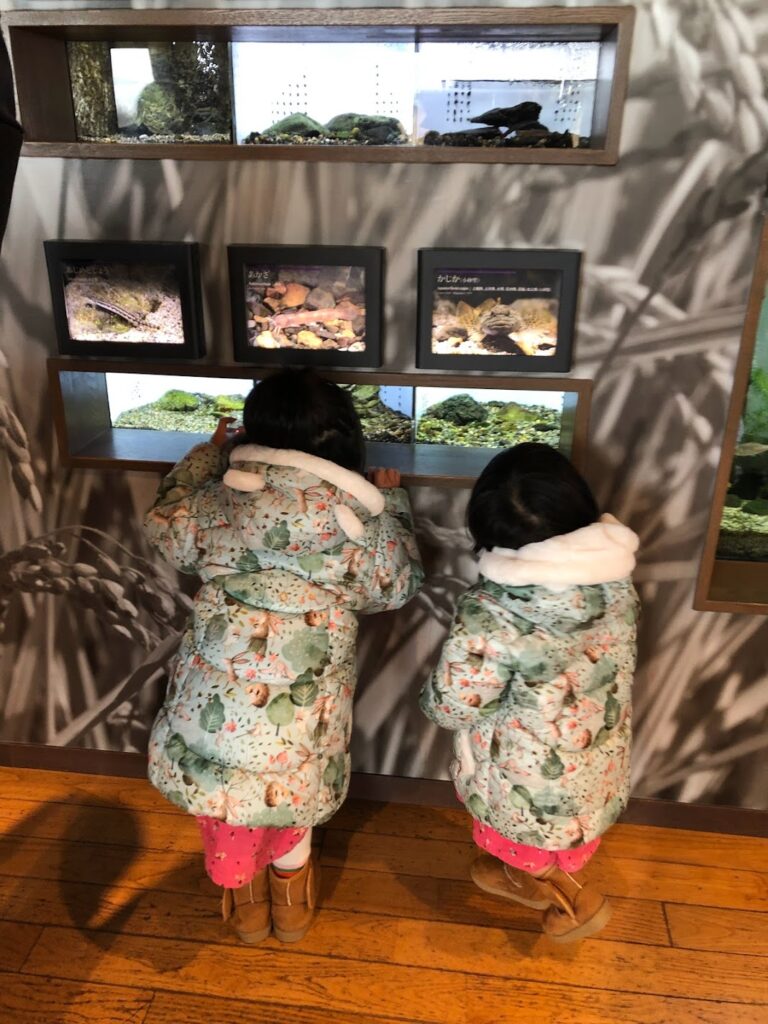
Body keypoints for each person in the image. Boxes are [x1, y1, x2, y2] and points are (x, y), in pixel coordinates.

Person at [144, 368, 423, 944]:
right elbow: (393, 586)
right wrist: (392, 503)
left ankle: (245, 906)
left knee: (223, 800)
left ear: (255, 428)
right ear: (344, 437)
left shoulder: (216, 499)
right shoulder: (358, 518)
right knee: (289, 797)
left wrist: (205, 456)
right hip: (302, 715)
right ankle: (291, 906)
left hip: (211, 708)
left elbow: (166, 525)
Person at [420, 443, 639, 943]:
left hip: (525, 772)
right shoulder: (616, 584)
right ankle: (538, 870)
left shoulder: (493, 609)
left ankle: (569, 896)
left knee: (522, 834)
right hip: (592, 762)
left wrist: (432, 701)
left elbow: (457, 701)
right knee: (559, 829)